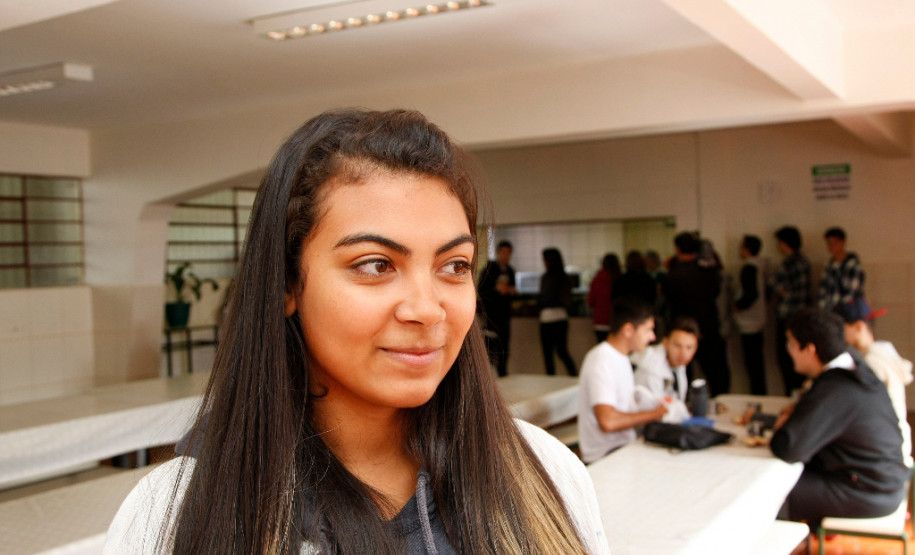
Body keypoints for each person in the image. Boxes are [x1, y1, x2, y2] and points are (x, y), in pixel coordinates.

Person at [104, 109, 607, 554]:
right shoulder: (175, 516)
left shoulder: (542, 473)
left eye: (454, 265)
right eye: (374, 265)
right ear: (285, 283)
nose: (427, 309)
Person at [770, 308, 908, 529]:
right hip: (881, 479)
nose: (788, 350)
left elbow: (787, 447)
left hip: (869, 492)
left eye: (791, 343)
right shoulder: (852, 365)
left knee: (772, 489)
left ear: (810, 350)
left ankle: (793, 546)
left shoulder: (837, 387)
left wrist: (785, 425)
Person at [578, 297, 667, 464]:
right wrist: (655, 413)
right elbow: (608, 421)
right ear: (628, 330)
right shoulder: (602, 359)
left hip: (623, 445)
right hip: (605, 454)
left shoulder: (622, 357)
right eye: (648, 330)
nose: (652, 337)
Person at [834, 297, 913, 467]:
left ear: (859, 327)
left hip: (886, 453)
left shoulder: (872, 363)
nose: (837, 334)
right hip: (893, 445)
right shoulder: (880, 354)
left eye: (841, 328)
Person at [664, 231, 730, 396]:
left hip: (682, 328)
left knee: (683, 370)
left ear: (678, 249)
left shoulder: (673, 274)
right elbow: (716, 292)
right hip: (709, 326)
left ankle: (684, 402)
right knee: (716, 370)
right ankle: (721, 400)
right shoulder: (708, 272)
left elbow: (667, 297)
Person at [768, 225, 812, 395]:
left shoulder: (790, 262)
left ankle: (791, 396)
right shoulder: (805, 261)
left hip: (788, 317)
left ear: (785, 243)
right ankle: (799, 396)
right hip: (803, 317)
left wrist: (782, 291)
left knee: (787, 360)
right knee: (799, 361)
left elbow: (773, 282)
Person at [631, 316, 700, 404]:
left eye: (689, 347)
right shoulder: (651, 366)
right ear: (665, 343)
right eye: (677, 346)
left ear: (696, 347)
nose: (683, 353)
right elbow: (658, 410)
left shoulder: (677, 364)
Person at [733, 235, 767, 395]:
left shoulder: (749, 267)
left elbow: (751, 294)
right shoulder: (761, 266)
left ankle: (758, 396)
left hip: (749, 322)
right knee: (757, 365)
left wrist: (738, 306)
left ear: (746, 249)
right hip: (759, 319)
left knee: (753, 366)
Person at [478, 240, 516, 376]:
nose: (506, 255)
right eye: (504, 252)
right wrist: (496, 290)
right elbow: (481, 291)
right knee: (490, 345)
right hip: (491, 315)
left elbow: (513, 293)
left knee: (504, 345)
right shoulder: (490, 268)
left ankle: (503, 372)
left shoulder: (510, 271)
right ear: (498, 252)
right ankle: (488, 375)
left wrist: (511, 291)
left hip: (505, 314)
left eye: (509, 253)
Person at [539, 247, 578, 376]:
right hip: (561, 318)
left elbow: (543, 299)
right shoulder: (565, 278)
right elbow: (567, 300)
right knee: (562, 351)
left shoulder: (547, 278)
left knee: (548, 355)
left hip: (547, 318)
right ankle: (574, 376)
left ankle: (551, 381)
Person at [817, 227, 865, 310]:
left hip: (847, 311)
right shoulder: (828, 266)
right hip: (830, 311)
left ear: (843, 243)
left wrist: (839, 308)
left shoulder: (852, 264)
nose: (832, 246)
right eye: (829, 243)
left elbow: (852, 291)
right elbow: (823, 290)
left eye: (835, 242)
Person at [587, 253, 620, 343]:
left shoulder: (597, 280)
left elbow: (591, 301)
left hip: (600, 321)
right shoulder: (620, 279)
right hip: (617, 321)